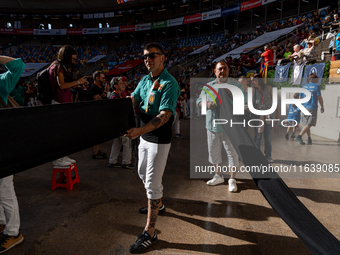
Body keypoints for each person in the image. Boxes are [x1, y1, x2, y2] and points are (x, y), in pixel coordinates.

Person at [125, 43, 180, 253]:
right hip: (144, 136)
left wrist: (138, 131)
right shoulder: (144, 80)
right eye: (145, 57)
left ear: (162, 58)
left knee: (152, 183)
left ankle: (150, 231)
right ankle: (159, 204)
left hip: (159, 138)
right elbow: (134, 98)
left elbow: (164, 116)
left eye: (152, 56)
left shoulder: (169, 83)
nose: (148, 59)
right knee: (141, 173)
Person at [196, 60, 243, 192]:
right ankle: (218, 175)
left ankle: (232, 179)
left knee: (232, 153)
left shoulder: (235, 86)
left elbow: (243, 100)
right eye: (219, 69)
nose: (222, 71)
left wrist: (229, 92)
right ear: (215, 72)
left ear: (228, 70)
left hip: (230, 126)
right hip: (212, 126)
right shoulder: (208, 86)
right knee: (213, 151)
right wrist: (206, 104)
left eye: (224, 69)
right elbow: (199, 101)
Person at [0, 55, 25, 254]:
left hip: (4, 145)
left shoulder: (0, 83)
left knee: (5, 189)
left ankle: (14, 232)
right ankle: (2, 223)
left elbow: (18, 65)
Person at [50, 45, 87, 167]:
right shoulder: (58, 66)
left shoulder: (61, 66)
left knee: (64, 132)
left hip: (63, 102)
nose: (73, 61)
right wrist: (78, 82)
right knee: (59, 132)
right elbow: (61, 85)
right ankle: (57, 159)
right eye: (71, 59)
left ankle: (63, 156)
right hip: (58, 102)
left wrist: (75, 84)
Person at [108, 77, 134, 169]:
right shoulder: (115, 97)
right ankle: (126, 162)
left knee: (117, 143)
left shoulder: (116, 96)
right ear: (115, 86)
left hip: (117, 125)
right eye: (121, 83)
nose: (123, 85)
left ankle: (112, 161)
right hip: (120, 125)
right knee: (127, 142)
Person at [252, 74, 278, 163]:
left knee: (268, 137)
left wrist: (277, 114)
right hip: (258, 116)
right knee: (258, 136)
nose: (252, 82)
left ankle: (268, 156)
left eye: (254, 80)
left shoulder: (268, 88)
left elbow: (274, 101)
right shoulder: (253, 90)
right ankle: (257, 156)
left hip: (268, 116)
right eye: (251, 80)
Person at [295, 73, 324, 145]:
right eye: (316, 77)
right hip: (312, 108)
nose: (318, 79)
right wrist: (322, 106)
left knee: (307, 124)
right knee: (310, 123)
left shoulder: (303, 87)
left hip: (304, 108)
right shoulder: (317, 86)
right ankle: (299, 136)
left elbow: (300, 98)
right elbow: (319, 97)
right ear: (312, 79)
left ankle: (309, 139)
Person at [88, 71, 108, 159]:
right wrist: (106, 92)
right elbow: (97, 99)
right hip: (94, 113)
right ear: (97, 78)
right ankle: (95, 153)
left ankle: (96, 150)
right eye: (102, 78)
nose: (104, 79)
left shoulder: (98, 87)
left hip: (98, 112)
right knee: (97, 134)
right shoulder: (94, 87)